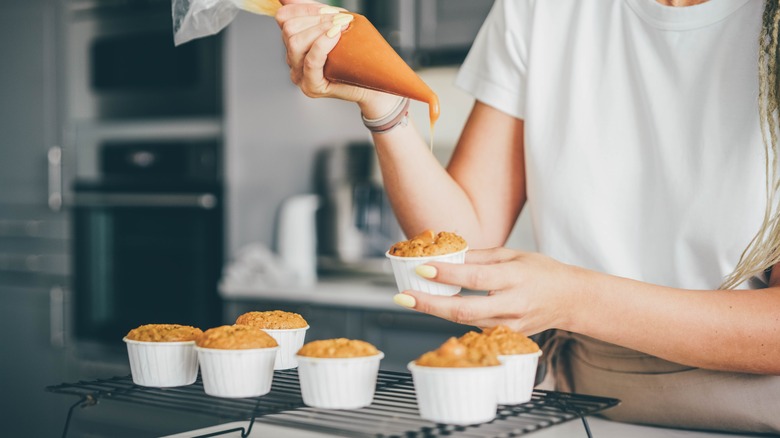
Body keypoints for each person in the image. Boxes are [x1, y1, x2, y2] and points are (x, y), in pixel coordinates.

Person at [275, 0, 780, 432]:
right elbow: (463, 241)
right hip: (579, 411)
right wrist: (383, 106)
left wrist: (576, 299)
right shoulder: (539, 8)